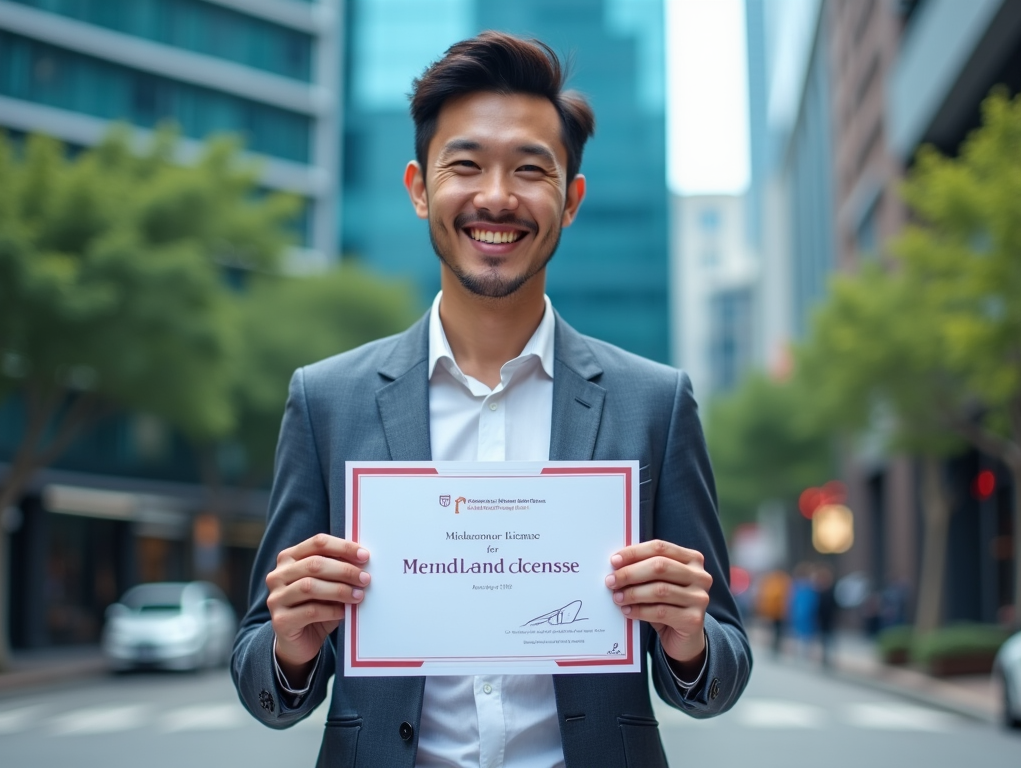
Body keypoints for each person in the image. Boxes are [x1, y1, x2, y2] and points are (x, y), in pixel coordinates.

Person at [232, 32, 751, 767]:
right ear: (419, 188)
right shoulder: (326, 400)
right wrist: (289, 645)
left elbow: (720, 673)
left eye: (530, 170)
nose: (498, 197)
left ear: (570, 200)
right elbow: (260, 671)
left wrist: (691, 639)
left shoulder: (656, 403)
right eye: (466, 165)